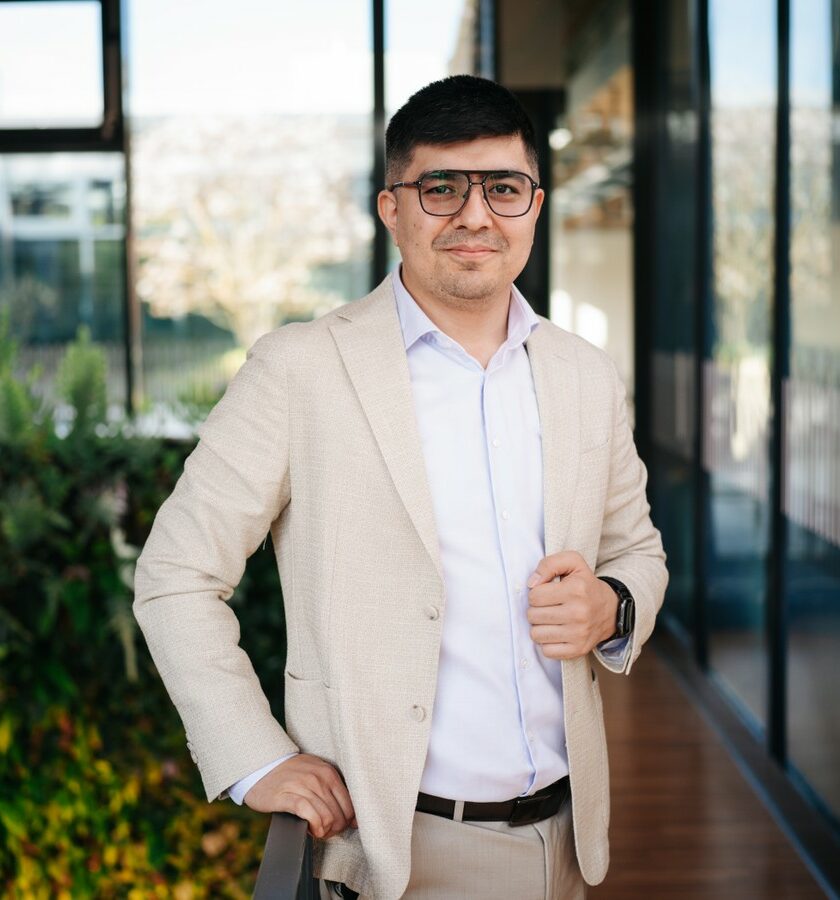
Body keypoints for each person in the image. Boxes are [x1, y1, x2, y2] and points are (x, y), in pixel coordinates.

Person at [133, 74, 668, 900]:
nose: (475, 215)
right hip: (393, 851)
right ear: (392, 209)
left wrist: (614, 606)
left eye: (503, 188)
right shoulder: (300, 369)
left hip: (568, 845)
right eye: (440, 188)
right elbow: (175, 576)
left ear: (534, 204)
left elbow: (636, 546)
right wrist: (256, 756)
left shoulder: (584, 373)